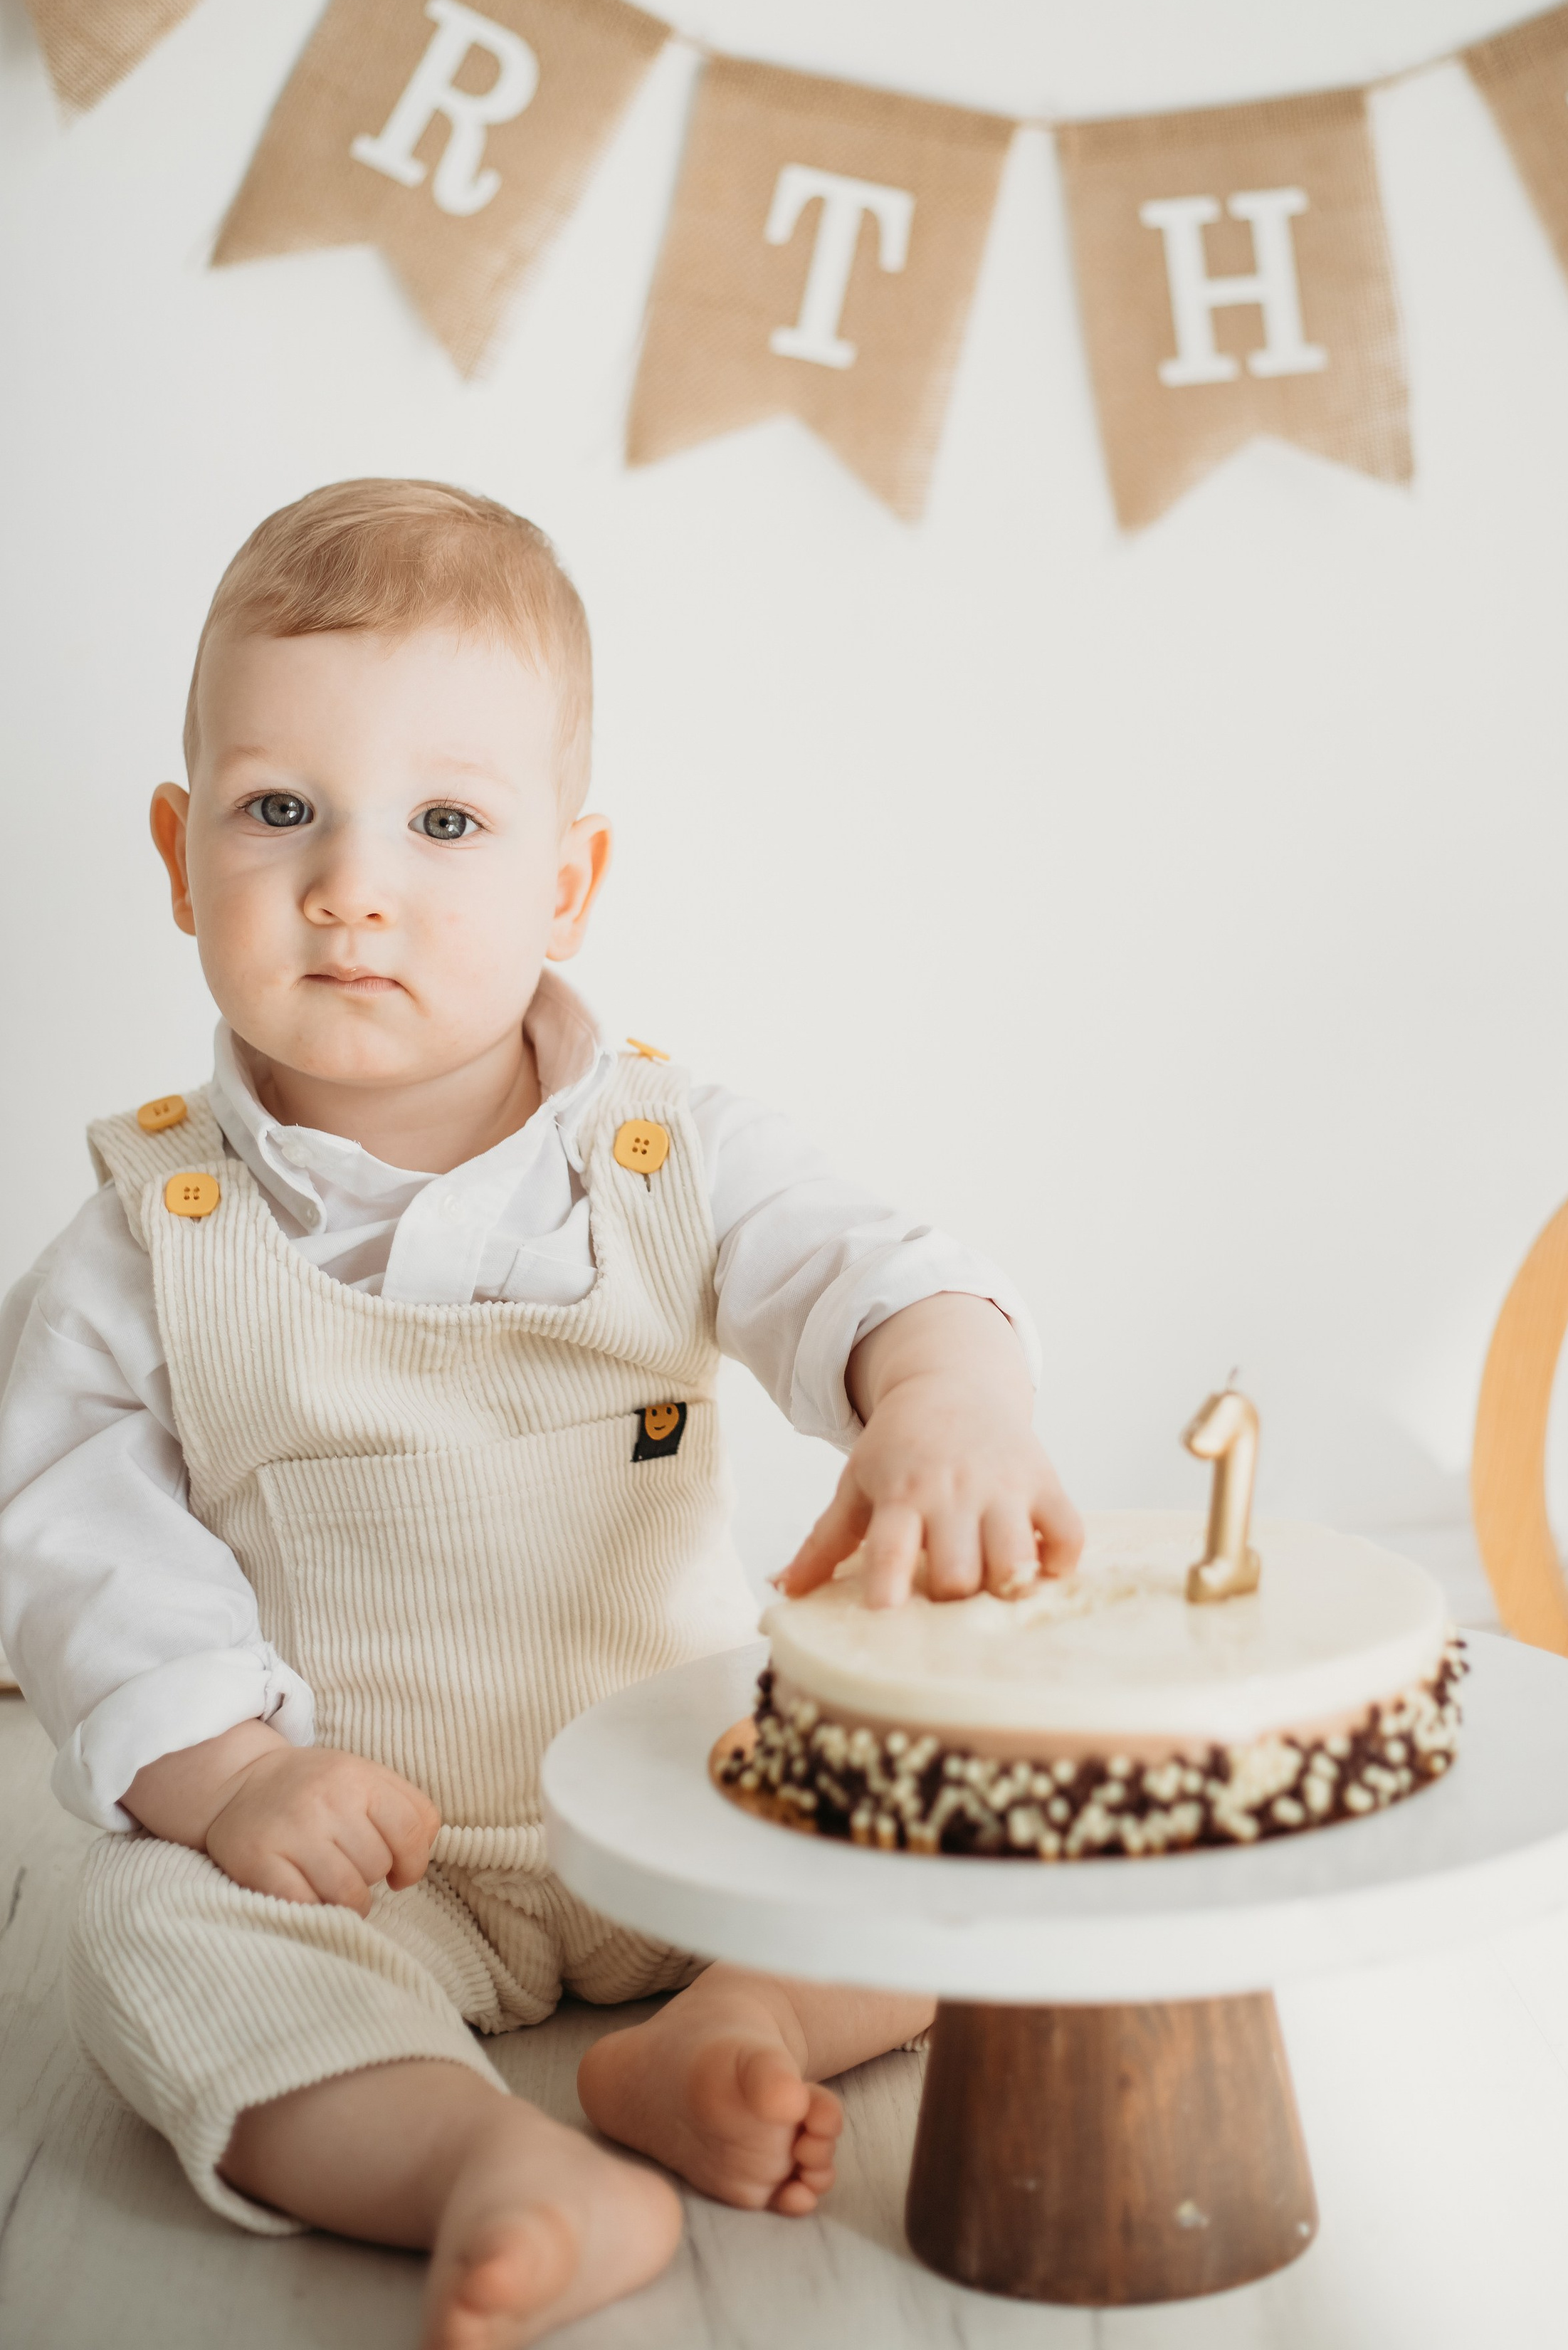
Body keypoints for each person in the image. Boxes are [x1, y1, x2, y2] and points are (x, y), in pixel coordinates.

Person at [0, 478, 1082, 2350]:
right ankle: (471, 2162)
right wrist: (238, 1780)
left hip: (697, 1796)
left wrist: (947, 1388)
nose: (354, 883)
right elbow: (69, 1532)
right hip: (366, 1857)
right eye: (281, 813)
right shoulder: (146, 1233)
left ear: (564, 880)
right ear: (180, 856)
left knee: (971, 1809)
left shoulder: (671, 1150)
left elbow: (864, 1264)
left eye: (445, 820)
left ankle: (730, 2029)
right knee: (139, 1930)